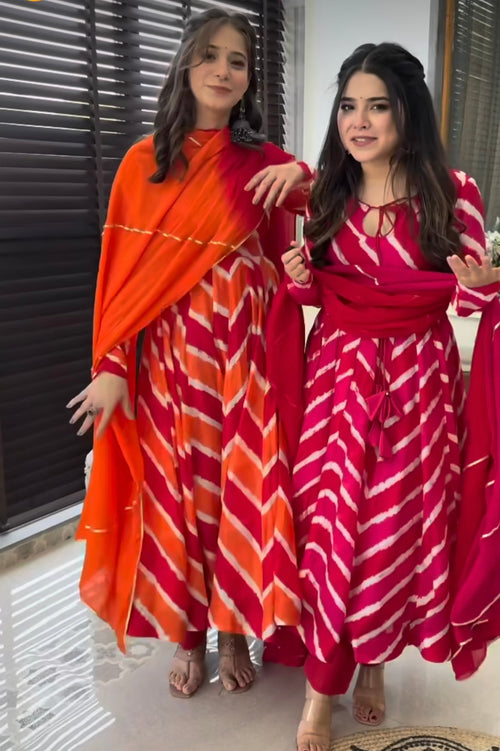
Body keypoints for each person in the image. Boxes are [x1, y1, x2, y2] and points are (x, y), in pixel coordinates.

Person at [67, 8, 311, 699]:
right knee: (183, 493)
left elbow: (325, 220)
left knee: (243, 488)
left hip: (245, 358)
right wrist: (111, 366)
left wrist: (306, 176)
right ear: (184, 63)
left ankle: (233, 630)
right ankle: (188, 632)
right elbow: (120, 281)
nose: (223, 71)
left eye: (238, 60)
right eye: (209, 55)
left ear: (250, 78)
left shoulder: (264, 163)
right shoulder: (143, 164)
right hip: (171, 365)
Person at [264, 42, 500, 751]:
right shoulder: (327, 192)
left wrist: (480, 286)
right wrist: (300, 278)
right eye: (348, 106)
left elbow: (464, 299)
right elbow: (318, 292)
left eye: (377, 106)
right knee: (329, 524)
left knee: (391, 528)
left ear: (408, 113)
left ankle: (373, 660)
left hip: (418, 381)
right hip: (336, 376)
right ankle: (320, 687)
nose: (359, 122)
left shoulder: (453, 191)